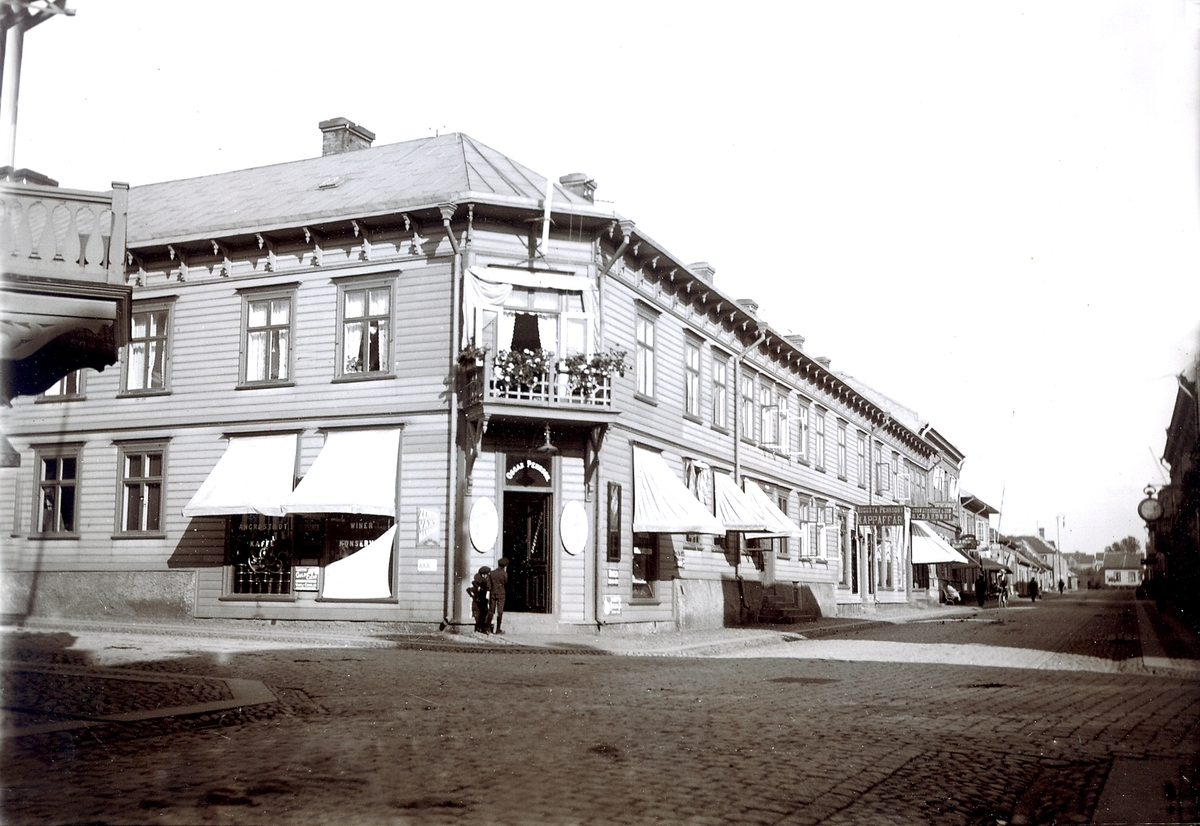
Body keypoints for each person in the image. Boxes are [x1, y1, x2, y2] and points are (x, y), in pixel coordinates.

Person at [487, 558, 509, 634]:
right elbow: (505, 582)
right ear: (505, 566)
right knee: (500, 611)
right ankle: (498, 629)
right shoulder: (504, 574)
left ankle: (488, 629)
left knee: (491, 610)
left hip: (493, 593)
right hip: (501, 593)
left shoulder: (491, 573)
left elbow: (488, 585)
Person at [468, 566, 490, 632]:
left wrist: (472, 595)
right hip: (482, 599)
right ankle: (482, 628)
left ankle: (479, 627)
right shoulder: (484, 580)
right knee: (483, 613)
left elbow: (472, 584)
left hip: (478, 599)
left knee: (479, 614)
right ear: (484, 574)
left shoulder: (479, 580)